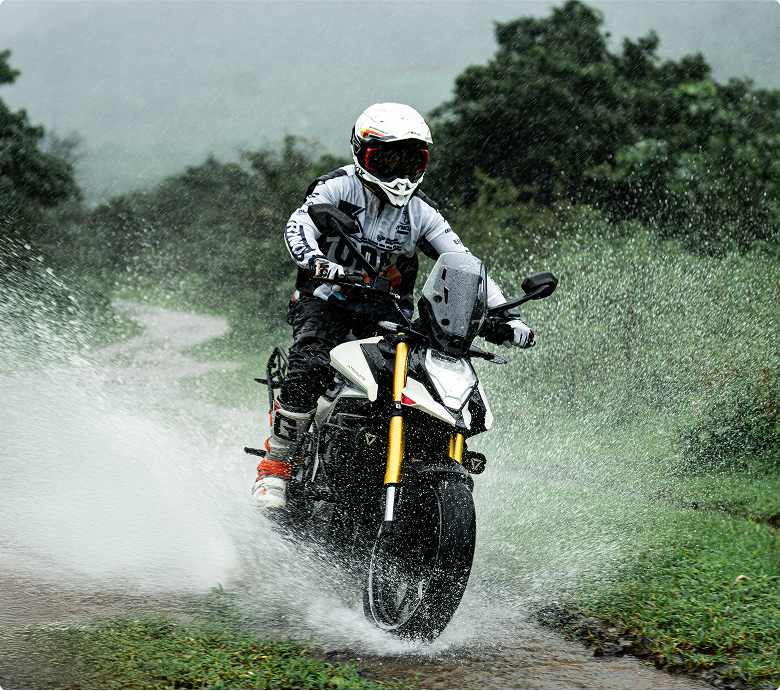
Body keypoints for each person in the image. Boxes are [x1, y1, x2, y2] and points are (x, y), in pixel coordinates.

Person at [252, 102, 535, 508]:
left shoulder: (423, 212)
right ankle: (275, 465)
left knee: (406, 383)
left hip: (388, 311)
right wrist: (316, 262)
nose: (400, 173)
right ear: (361, 154)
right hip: (325, 299)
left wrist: (507, 315)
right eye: (387, 160)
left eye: (411, 160)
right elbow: (300, 224)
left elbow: (464, 262)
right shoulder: (336, 187)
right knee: (310, 364)